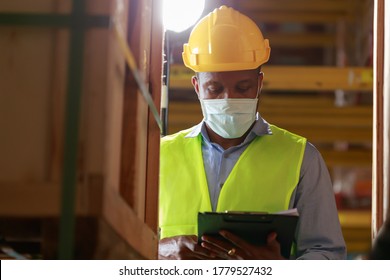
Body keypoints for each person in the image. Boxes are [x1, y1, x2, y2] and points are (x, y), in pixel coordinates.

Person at [158, 5, 346, 260]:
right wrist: (160, 251)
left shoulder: (302, 159)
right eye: (214, 88)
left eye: (243, 87)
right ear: (196, 86)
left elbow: (328, 255)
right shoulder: (158, 156)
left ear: (259, 83)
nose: (229, 98)